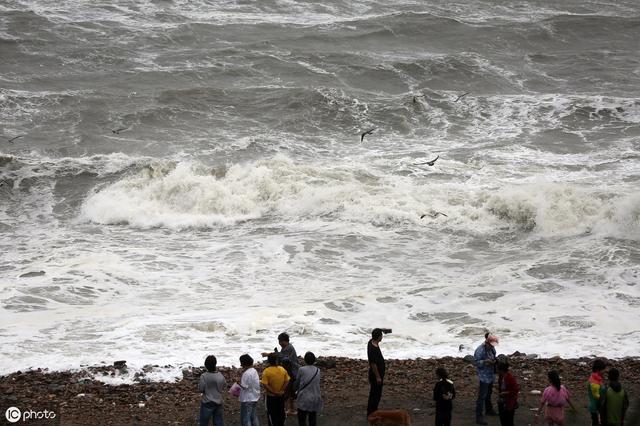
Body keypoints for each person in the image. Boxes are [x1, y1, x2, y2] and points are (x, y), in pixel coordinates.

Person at [263, 332, 299, 416]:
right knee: (291, 391)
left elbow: (282, 357)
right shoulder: (286, 347)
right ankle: (291, 409)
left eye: (281, 341)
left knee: (287, 391)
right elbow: (281, 356)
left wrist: (268, 354)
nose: (280, 343)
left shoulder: (288, 348)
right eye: (279, 342)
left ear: (286, 341)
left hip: (291, 371)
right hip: (291, 371)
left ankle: (283, 410)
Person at [474, 333, 499, 425]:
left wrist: (495, 361)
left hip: (490, 374)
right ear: (487, 342)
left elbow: (494, 356)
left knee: (488, 394)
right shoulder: (479, 350)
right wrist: (485, 362)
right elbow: (476, 362)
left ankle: (489, 410)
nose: (493, 346)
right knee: (482, 397)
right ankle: (479, 416)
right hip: (484, 376)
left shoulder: (492, 348)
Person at [261, 352, 290, 426]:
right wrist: (281, 390)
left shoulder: (266, 371)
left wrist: (274, 392)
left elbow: (265, 384)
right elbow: (287, 380)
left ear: (268, 361)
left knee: (271, 414)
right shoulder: (282, 369)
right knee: (281, 412)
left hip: (271, 396)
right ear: (277, 361)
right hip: (281, 395)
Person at [294, 351, 323, 426]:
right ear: (314, 360)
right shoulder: (318, 370)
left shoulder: (301, 369)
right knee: (312, 419)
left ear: (305, 360)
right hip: (315, 397)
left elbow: (297, 382)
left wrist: (294, 390)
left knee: (302, 420)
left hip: (304, 398)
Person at [198, 355, 227, 426]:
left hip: (207, 402)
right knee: (218, 422)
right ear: (215, 364)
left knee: (203, 422)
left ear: (206, 365)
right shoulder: (220, 375)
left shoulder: (204, 376)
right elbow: (224, 386)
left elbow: (201, 389)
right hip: (218, 401)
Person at [367, 328, 386, 416]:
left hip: (376, 373)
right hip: (375, 375)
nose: (382, 336)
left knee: (374, 394)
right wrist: (378, 377)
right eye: (381, 335)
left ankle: (372, 411)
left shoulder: (371, 342)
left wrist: (384, 330)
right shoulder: (373, 348)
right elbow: (373, 364)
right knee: (375, 395)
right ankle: (372, 413)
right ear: (378, 337)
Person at [239, 354, 260, 426]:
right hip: (254, 397)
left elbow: (244, 386)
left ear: (244, 364)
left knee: (246, 419)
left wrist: (238, 383)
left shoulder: (246, 373)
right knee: (254, 417)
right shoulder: (254, 371)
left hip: (247, 399)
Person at [496, 360, 519, 426]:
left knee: (509, 420)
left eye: (498, 369)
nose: (497, 371)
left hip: (510, 401)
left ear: (502, 370)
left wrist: (506, 393)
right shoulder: (501, 377)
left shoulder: (510, 378)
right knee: (502, 419)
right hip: (502, 400)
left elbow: (515, 390)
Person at [588, 359, 607, 426]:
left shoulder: (595, 377)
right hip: (595, 407)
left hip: (595, 405)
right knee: (596, 422)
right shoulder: (594, 383)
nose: (604, 371)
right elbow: (597, 397)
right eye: (603, 370)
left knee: (596, 421)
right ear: (597, 370)